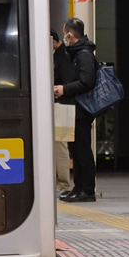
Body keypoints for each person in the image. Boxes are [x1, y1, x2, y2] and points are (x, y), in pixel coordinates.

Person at [54, 18, 97, 203]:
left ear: (70, 34)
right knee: (76, 151)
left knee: (83, 151)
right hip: (74, 109)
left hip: (82, 110)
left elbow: (87, 82)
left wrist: (64, 89)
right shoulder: (74, 53)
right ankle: (78, 188)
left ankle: (87, 190)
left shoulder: (84, 54)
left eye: (65, 34)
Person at [52, 30, 75, 194]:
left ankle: (64, 184)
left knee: (60, 144)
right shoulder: (62, 54)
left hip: (61, 105)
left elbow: (66, 81)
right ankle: (62, 182)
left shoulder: (61, 56)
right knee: (58, 144)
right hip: (61, 105)